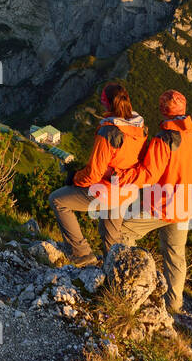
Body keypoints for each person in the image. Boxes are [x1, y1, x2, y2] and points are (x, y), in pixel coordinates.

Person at [108, 89, 192, 314]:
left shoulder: (164, 140)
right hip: (187, 206)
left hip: (160, 206)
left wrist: (118, 177)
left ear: (163, 110)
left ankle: (129, 283)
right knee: (175, 257)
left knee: (123, 233)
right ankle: (174, 305)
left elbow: (148, 175)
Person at [47, 83, 146, 267]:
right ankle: (115, 276)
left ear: (106, 102)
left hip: (106, 190)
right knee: (110, 238)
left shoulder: (108, 132)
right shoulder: (140, 128)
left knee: (58, 200)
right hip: (125, 190)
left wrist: (74, 177)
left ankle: (81, 254)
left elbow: (93, 174)